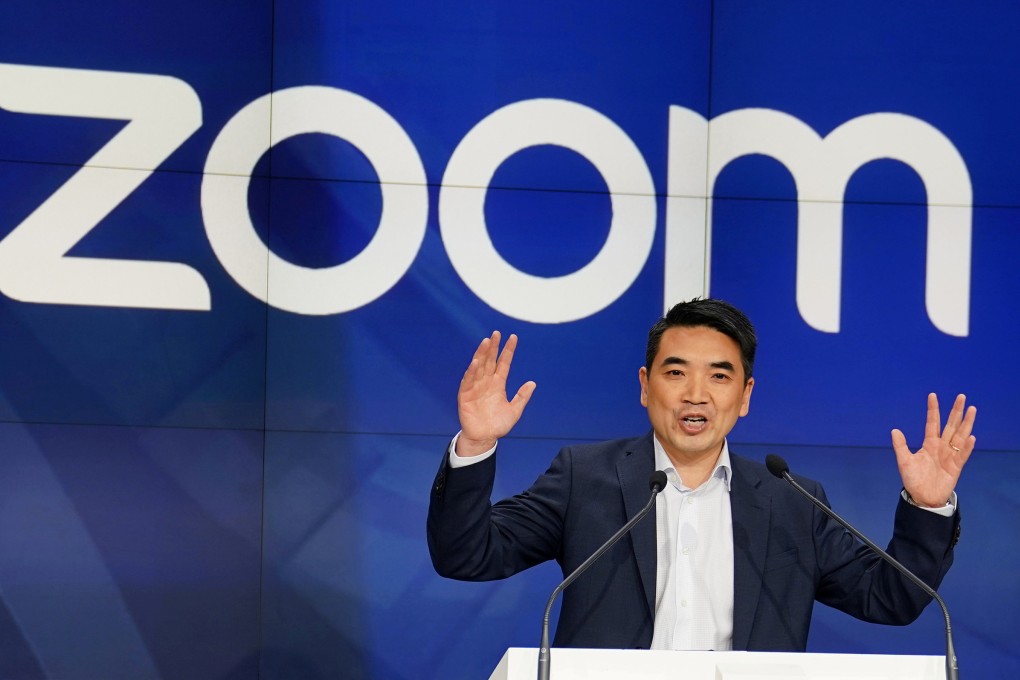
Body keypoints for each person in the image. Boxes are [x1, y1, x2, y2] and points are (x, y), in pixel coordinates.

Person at [427, 299, 975, 651]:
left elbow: (892, 599)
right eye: (675, 372)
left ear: (745, 397)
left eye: (719, 375)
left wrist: (927, 508)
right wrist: (476, 444)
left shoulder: (792, 502)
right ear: (645, 386)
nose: (696, 394)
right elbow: (467, 556)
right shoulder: (585, 477)